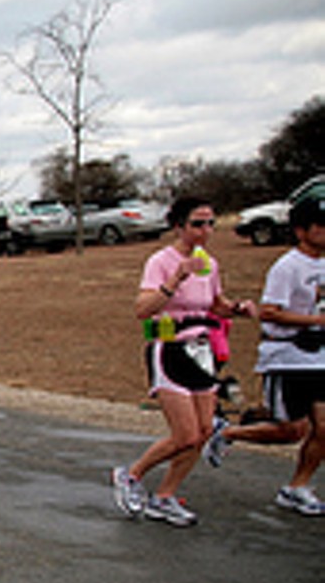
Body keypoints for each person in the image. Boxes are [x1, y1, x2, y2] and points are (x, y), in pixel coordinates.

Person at [111, 197, 256, 526]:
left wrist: (237, 308)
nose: (205, 230)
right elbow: (142, 308)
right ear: (178, 226)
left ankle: (164, 497)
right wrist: (176, 278)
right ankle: (131, 475)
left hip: (201, 351)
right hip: (170, 349)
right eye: (197, 224)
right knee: (185, 435)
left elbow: (214, 304)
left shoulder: (210, 264)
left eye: (210, 224)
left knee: (204, 431)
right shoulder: (161, 261)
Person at [202, 195, 325, 516]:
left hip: (320, 356)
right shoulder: (288, 267)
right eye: (320, 226)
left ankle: (297, 487)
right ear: (301, 230)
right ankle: (226, 432)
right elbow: (269, 312)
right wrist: (314, 321)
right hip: (288, 356)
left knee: (324, 428)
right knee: (292, 430)